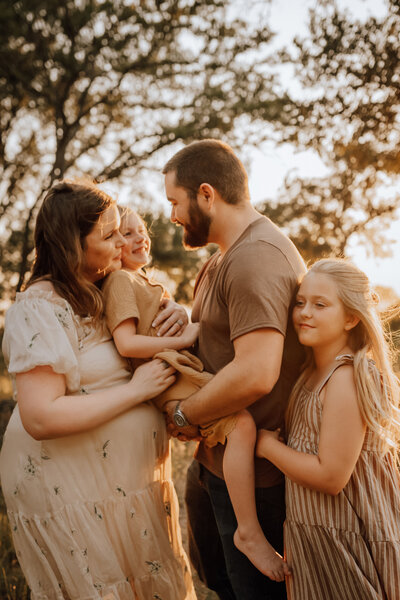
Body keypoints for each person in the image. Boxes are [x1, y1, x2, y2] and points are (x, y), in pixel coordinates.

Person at [0, 181, 196, 600]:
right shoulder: (40, 307)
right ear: (73, 244)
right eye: (108, 236)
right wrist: (136, 392)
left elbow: (141, 318)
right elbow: (40, 416)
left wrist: (177, 312)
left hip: (125, 489)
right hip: (73, 488)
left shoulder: (102, 288)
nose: (119, 244)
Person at [102, 207, 290, 582]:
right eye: (126, 233)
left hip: (177, 370)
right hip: (166, 376)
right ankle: (249, 532)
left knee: (239, 422)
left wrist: (184, 317)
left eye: (142, 230)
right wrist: (188, 335)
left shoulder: (146, 282)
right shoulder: (121, 282)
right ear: (109, 244)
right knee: (241, 422)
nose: (141, 237)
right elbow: (126, 342)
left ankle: (246, 527)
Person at [160, 139, 306, 599]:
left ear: (207, 194)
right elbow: (222, 334)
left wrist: (183, 415)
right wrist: (183, 318)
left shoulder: (255, 258)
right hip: (214, 464)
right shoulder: (224, 257)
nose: (171, 216)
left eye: (174, 202)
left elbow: (257, 373)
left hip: (255, 482)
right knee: (220, 586)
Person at [256, 258, 400, 600]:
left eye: (321, 305)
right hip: (316, 532)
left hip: (352, 535)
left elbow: (331, 476)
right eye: (300, 302)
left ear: (351, 317)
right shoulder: (310, 373)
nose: (305, 312)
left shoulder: (347, 376)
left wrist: (266, 447)